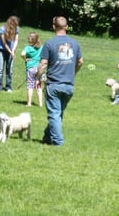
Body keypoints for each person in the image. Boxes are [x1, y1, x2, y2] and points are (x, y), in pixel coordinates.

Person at [36, 16, 83, 146]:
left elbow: (43, 64)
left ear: (53, 27)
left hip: (54, 84)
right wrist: (73, 73)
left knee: (55, 114)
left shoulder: (50, 43)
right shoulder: (75, 43)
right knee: (58, 113)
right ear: (67, 27)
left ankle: (58, 142)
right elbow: (80, 62)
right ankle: (47, 137)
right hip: (69, 85)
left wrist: (38, 78)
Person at [0, 15, 20, 92]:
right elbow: (4, 43)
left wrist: (13, 51)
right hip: (1, 49)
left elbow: (16, 40)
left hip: (11, 51)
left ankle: (8, 87)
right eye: (13, 24)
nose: (14, 26)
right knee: (0, 69)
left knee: (9, 69)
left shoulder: (17, 29)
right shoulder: (2, 29)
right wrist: (10, 51)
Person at [20, 32, 43, 107]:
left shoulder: (28, 47)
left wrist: (25, 59)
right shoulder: (41, 47)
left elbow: (22, 54)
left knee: (30, 86)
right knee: (39, 85)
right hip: (39, 68)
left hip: (30, 68)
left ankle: (29, 103)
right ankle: (40, 104)